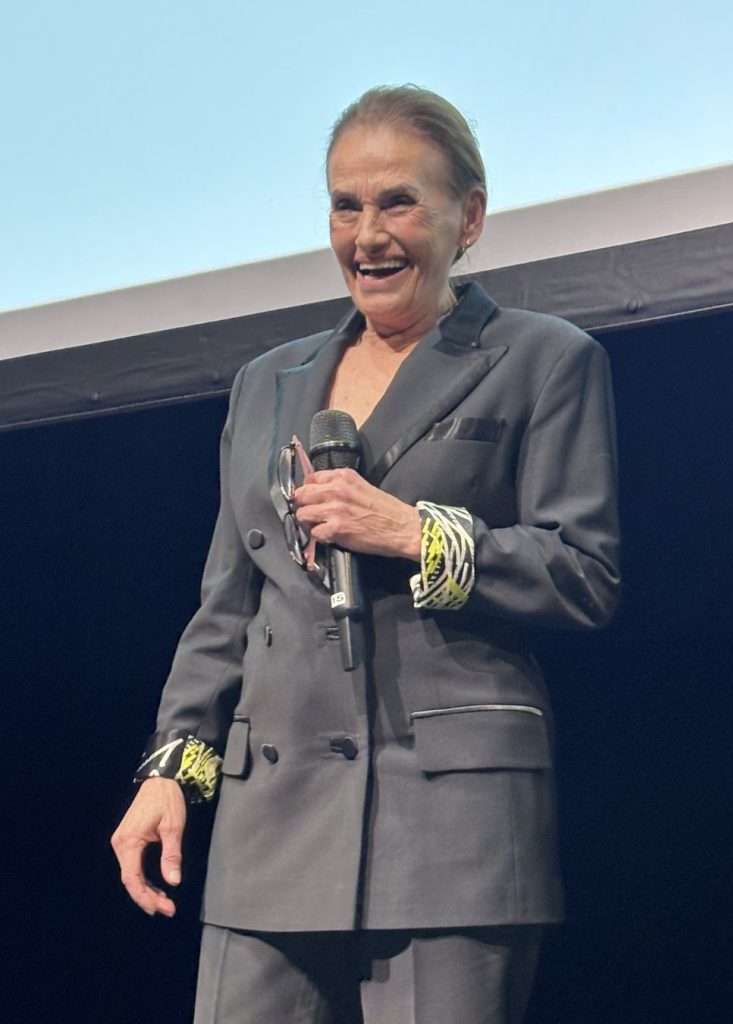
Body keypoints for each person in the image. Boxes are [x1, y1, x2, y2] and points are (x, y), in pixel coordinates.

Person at [111, 85, 621, 1023]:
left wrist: (416, 533)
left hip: (450, 825)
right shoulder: (267, 383)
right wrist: (170, 772)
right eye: (345, 206)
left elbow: (583, 575)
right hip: (272, 820)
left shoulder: (544, 359)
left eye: (398, 202)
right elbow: (227, 607)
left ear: (469, 217)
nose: (368, 235)